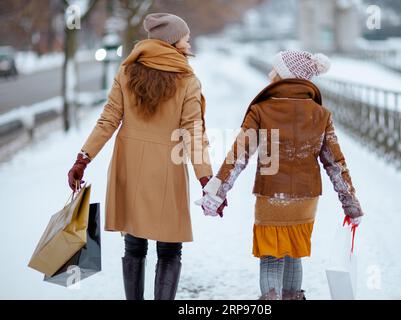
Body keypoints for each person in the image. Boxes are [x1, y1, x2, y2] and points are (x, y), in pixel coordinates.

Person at [67, 13, 225, 300]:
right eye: (185, 37)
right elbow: (193, 134)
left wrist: (83, 158)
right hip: (168, 169)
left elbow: (108, 120)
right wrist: (206, 178)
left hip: (129, 167)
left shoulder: (127, 72)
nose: (189, 42)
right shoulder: (187, 80)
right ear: (172, 41)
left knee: (134, 245)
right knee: (169, 249)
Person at [197, 50, 364, 300]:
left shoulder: (262, 110)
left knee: (271, 256)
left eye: (274, 70)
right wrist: (350, 203)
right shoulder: (320, 114)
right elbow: (335, 164)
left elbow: (238, 156)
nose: (269, 74)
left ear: (286, 75)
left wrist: (216, 192)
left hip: (271, 195)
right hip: (306, 200)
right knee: (293, 254)